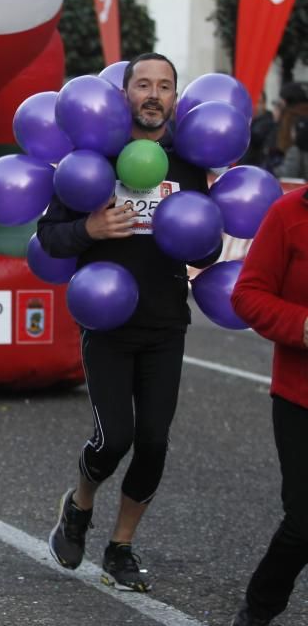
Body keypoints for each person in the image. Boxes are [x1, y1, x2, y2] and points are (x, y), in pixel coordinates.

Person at [39, 53, 222, 592]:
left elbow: (208, 245)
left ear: (174, 99)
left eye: (164, 86)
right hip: (107, 323)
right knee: (113, 436)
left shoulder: (189, 165)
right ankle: (79, 506)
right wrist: (91, 228)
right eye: (143, 84)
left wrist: (202, 244)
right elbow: (51, 239)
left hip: (166, 322)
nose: (153, 94)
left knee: (155, 441)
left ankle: (120, 546)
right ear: (123, 94)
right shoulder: (92, 159)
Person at [228, 187, 308, 625]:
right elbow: (248, 294)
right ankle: (258, 609)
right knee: (304, 521)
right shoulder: (289, 214)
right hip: (301, 395)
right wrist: (303, 325)